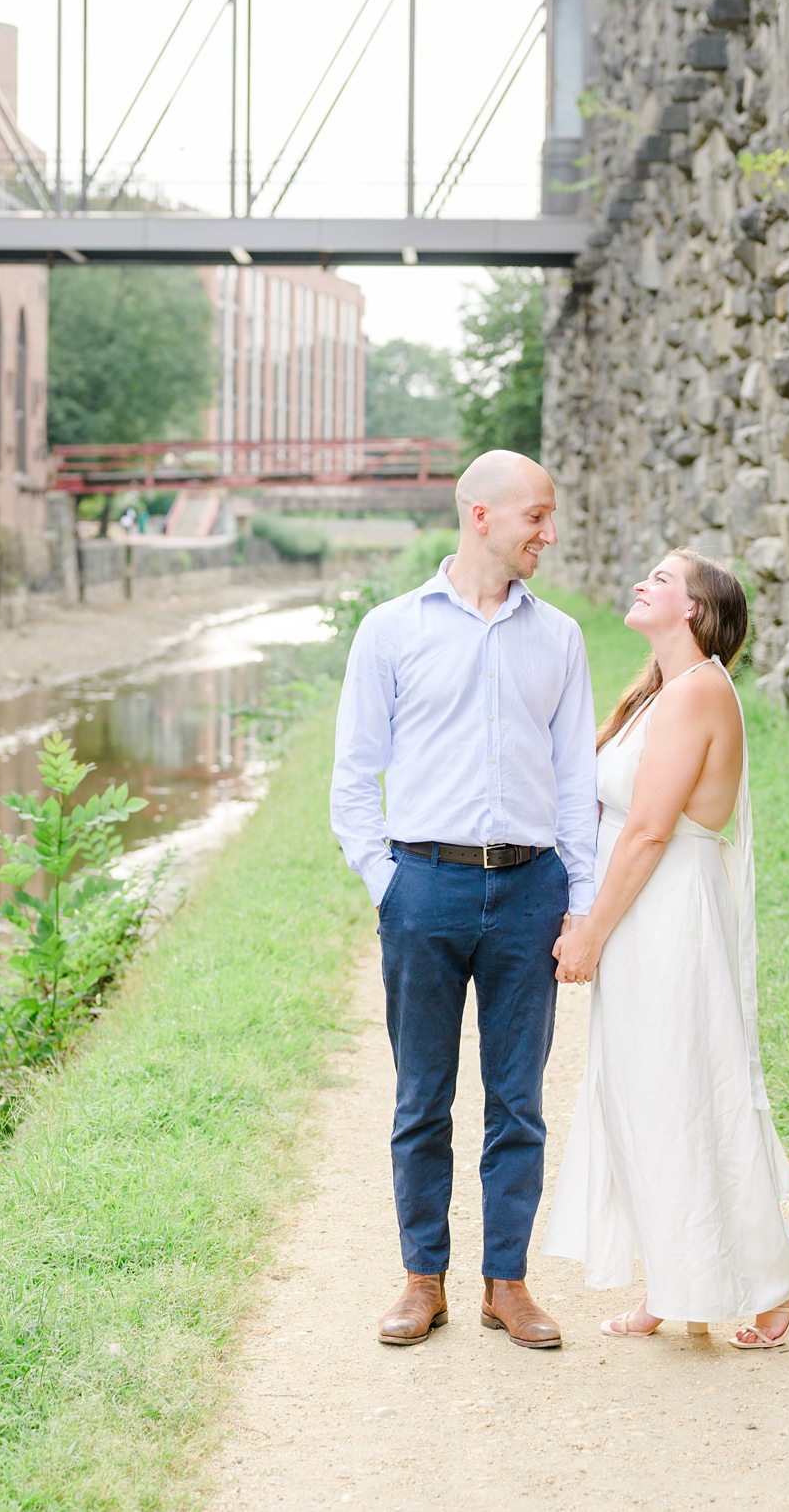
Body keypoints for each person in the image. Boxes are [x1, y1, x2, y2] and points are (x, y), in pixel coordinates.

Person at [330, 450, 599, 1350]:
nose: (548, 535)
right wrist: (389, 881)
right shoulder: (390, 630)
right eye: (536, 516)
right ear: (479, 514)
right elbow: (352, 776)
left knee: (518, 1101)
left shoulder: (557, 636)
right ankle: (422, 1278)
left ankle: (507, 1283)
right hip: (425, 889)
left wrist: (579, 903)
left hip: (530, 890)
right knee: (422, 1098)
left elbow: (575, 783)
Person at [542, 549, 789, 1349]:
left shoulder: (697, 694)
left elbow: (647, 829)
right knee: (645, 1094)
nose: (643, 582)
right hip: (650, 914)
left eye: (664, 579)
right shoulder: (662, 693)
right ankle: (675, 1282)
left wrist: (589, 931)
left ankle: (777, 1285)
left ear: (695, 611)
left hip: (665, 916)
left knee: (680, 1092)